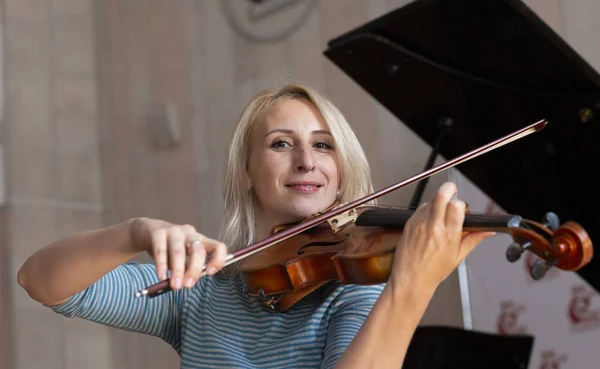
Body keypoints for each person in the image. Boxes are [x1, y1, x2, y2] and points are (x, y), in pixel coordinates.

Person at [17, 83, 494, 368]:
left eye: (324, 146)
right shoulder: (203, 289)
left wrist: (411, 286)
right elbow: (41, 281)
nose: (307, 161)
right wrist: (134, 232)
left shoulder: (354, 289)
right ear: (246, 171)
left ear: (342, 171)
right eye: (282, 144)